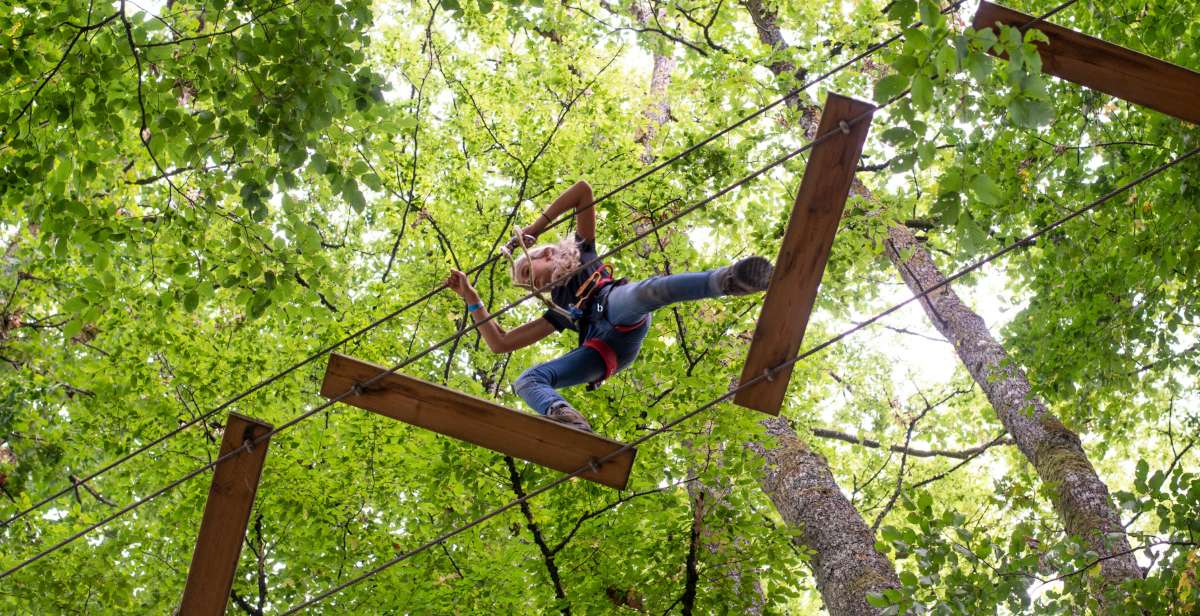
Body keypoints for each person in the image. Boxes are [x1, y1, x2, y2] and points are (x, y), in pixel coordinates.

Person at [445, 180, 773, 433]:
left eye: (529, 273)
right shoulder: (556, 312)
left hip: (613, 306)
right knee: (526, 381)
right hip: (602, 350)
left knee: (646, 293)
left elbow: (582, 192)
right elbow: (500, 343)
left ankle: (728, 281)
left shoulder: (582, 250)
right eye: (528, 285)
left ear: (545, 254)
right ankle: (564, 416)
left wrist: (533, 229)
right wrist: (472, 298)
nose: (534, 285)